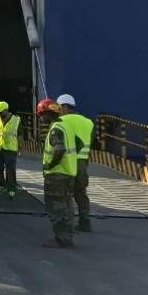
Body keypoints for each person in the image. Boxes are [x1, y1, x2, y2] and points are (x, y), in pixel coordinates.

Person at [38, 98, 78, 249]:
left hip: (57, 175)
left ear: (47, 114)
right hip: (68, 173)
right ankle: (67, 237)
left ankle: (61, 239)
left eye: (41, 115)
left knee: (56, 208)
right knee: (67, 206)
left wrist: (49, 164)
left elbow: (59, 150)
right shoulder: (66, 126)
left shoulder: (56, 129)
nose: (41, 119)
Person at [57, 93, 95, 233]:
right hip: (82, 163)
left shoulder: (61, 121)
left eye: (59, 108)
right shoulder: (89, 122)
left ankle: (67, 225)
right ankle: (85, 222)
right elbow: (91, 142)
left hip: (67, 162)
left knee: (65, 193)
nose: (58, 111)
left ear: (65, 107)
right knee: (81, 193)